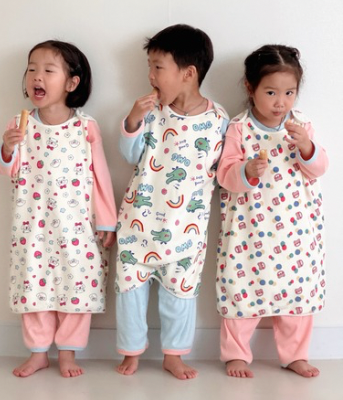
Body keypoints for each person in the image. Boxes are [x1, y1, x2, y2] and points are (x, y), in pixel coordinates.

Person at [0, 40, 117, 378]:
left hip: (77, 228)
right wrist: (7, 148)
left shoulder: (85, 127)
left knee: (78, 286)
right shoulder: (19, 125)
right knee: (33, 286)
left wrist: (108, 221)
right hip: (32, 227)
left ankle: (68, 353)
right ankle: (37, 353)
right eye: (32, 69)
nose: (37, 76)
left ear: (72, 83)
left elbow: (101, 177)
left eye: (48, 70)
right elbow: (5, 169)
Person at [115, 24, 229, 380]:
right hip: (137, 223)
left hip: (186, 229)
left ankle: (174, 355)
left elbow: (224, 171)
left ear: (188, 73)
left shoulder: (218, 120)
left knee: (181, 294)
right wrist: (133, 120)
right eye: (149, 67)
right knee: (129, 290)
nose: (150, 76)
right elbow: (130, 155)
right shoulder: (151, 113)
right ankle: (131, 351)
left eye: (157, 67)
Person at [216, 44, 328, 378]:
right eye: (271, 92)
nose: (281, 102)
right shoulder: (239, 128)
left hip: (296, 230)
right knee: (241, 286)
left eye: (289, 93)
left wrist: (306, 147)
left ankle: (295, 355)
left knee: (298, 289)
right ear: (250, 88)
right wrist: (246, 170)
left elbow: (319, 168)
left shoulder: (301, 125)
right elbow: (224, 175)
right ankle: (236, 354)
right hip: (249, 228)